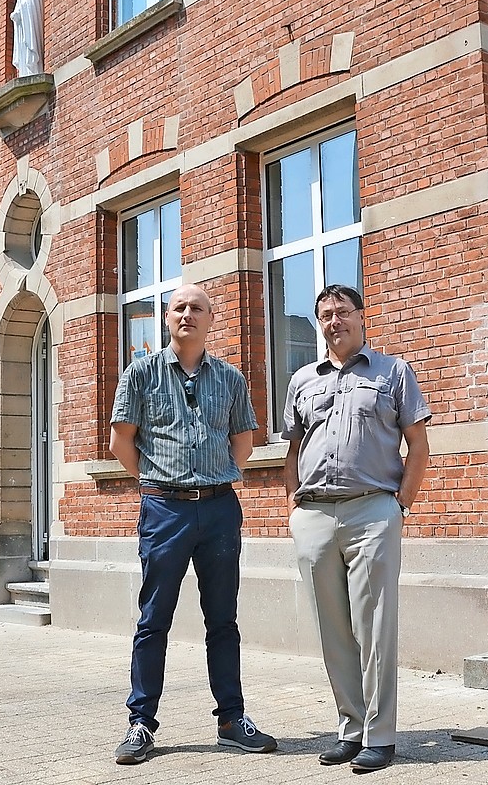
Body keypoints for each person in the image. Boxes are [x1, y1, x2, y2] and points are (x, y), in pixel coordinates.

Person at [109, 283, 277, 765]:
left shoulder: (230, 378)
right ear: (167, 318)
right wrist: (158, 482)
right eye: (179, 308)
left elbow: (243, 440)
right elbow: (123, 440)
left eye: (197, 308)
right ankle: (141, 722)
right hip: (165, 509)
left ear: (210, 318)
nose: (188, 314)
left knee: (223, 620)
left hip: (220, 509)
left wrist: (215, 477)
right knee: (153, 618)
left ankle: (232, 720)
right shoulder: (140, 373)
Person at [283, 285, 431, 773]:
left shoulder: (394, 373)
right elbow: (293, 448)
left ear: (361, 317)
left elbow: (417, 445)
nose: (333, 322)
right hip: (315, 516)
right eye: (324, 315)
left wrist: (399, 505)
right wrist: (294, 503)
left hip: (372, 512)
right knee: (334, 630)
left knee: (375, 629)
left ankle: (381, 735)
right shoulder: (303, 379)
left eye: (342, 312)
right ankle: (350, 728)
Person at [10, 0, 43, 76]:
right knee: (22, 45)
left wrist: (21, 10)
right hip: (22, 24)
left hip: (30, 20)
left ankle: (34, 67)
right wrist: (16, 14)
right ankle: (25, 71)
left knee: (30, 43)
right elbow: (20, 4)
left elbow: (31, 0)